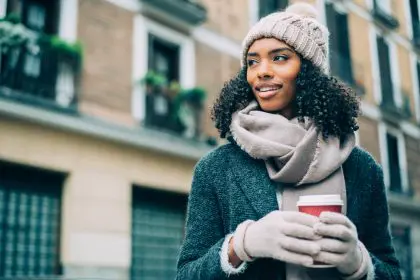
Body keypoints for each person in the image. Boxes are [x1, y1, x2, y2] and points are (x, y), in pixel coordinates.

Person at [176, 2, 401, 279]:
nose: (262, 71)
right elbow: (186, 274)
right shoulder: (216, 168)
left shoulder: (361, 168)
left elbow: (391, 271)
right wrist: (240, 245)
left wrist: (359, 263)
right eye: (252, 61)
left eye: (279, 58)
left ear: (308, 71)